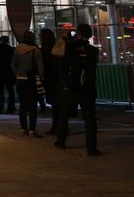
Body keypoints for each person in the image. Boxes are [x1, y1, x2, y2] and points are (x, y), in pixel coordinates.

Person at [55, 23, 100, 156]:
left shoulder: (69, 47)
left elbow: (56, 53)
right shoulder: (93, 50)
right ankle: (91, 148)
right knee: (90, 119)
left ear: (78, 33)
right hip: (88, 88)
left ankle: (61, 141)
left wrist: (64, 38)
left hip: (70, 87)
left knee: (63, 115)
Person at [11, 30, 45, 137]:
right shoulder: (36, 50)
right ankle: (32, 130)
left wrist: (17, 73)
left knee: (23, 105)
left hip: (20, 79)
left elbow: (12, 65)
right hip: (31, 80)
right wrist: (42, 79)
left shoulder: (17, 49)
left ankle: (23, 128)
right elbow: (41, 68)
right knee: (33, 106)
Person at [0, 35, 16, 114]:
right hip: (9, 72)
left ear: (0, 40)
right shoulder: (11, 49)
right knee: (10, 91)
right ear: (8, 41)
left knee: (0, 90)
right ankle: (11, 108)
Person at [39, 28, 58, 129]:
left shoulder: (43, 50)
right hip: (56, 77)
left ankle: (56, 125)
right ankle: (58, 124)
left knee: (54, 101)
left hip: (49, 78)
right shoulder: (55, 47)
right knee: (56, 102)